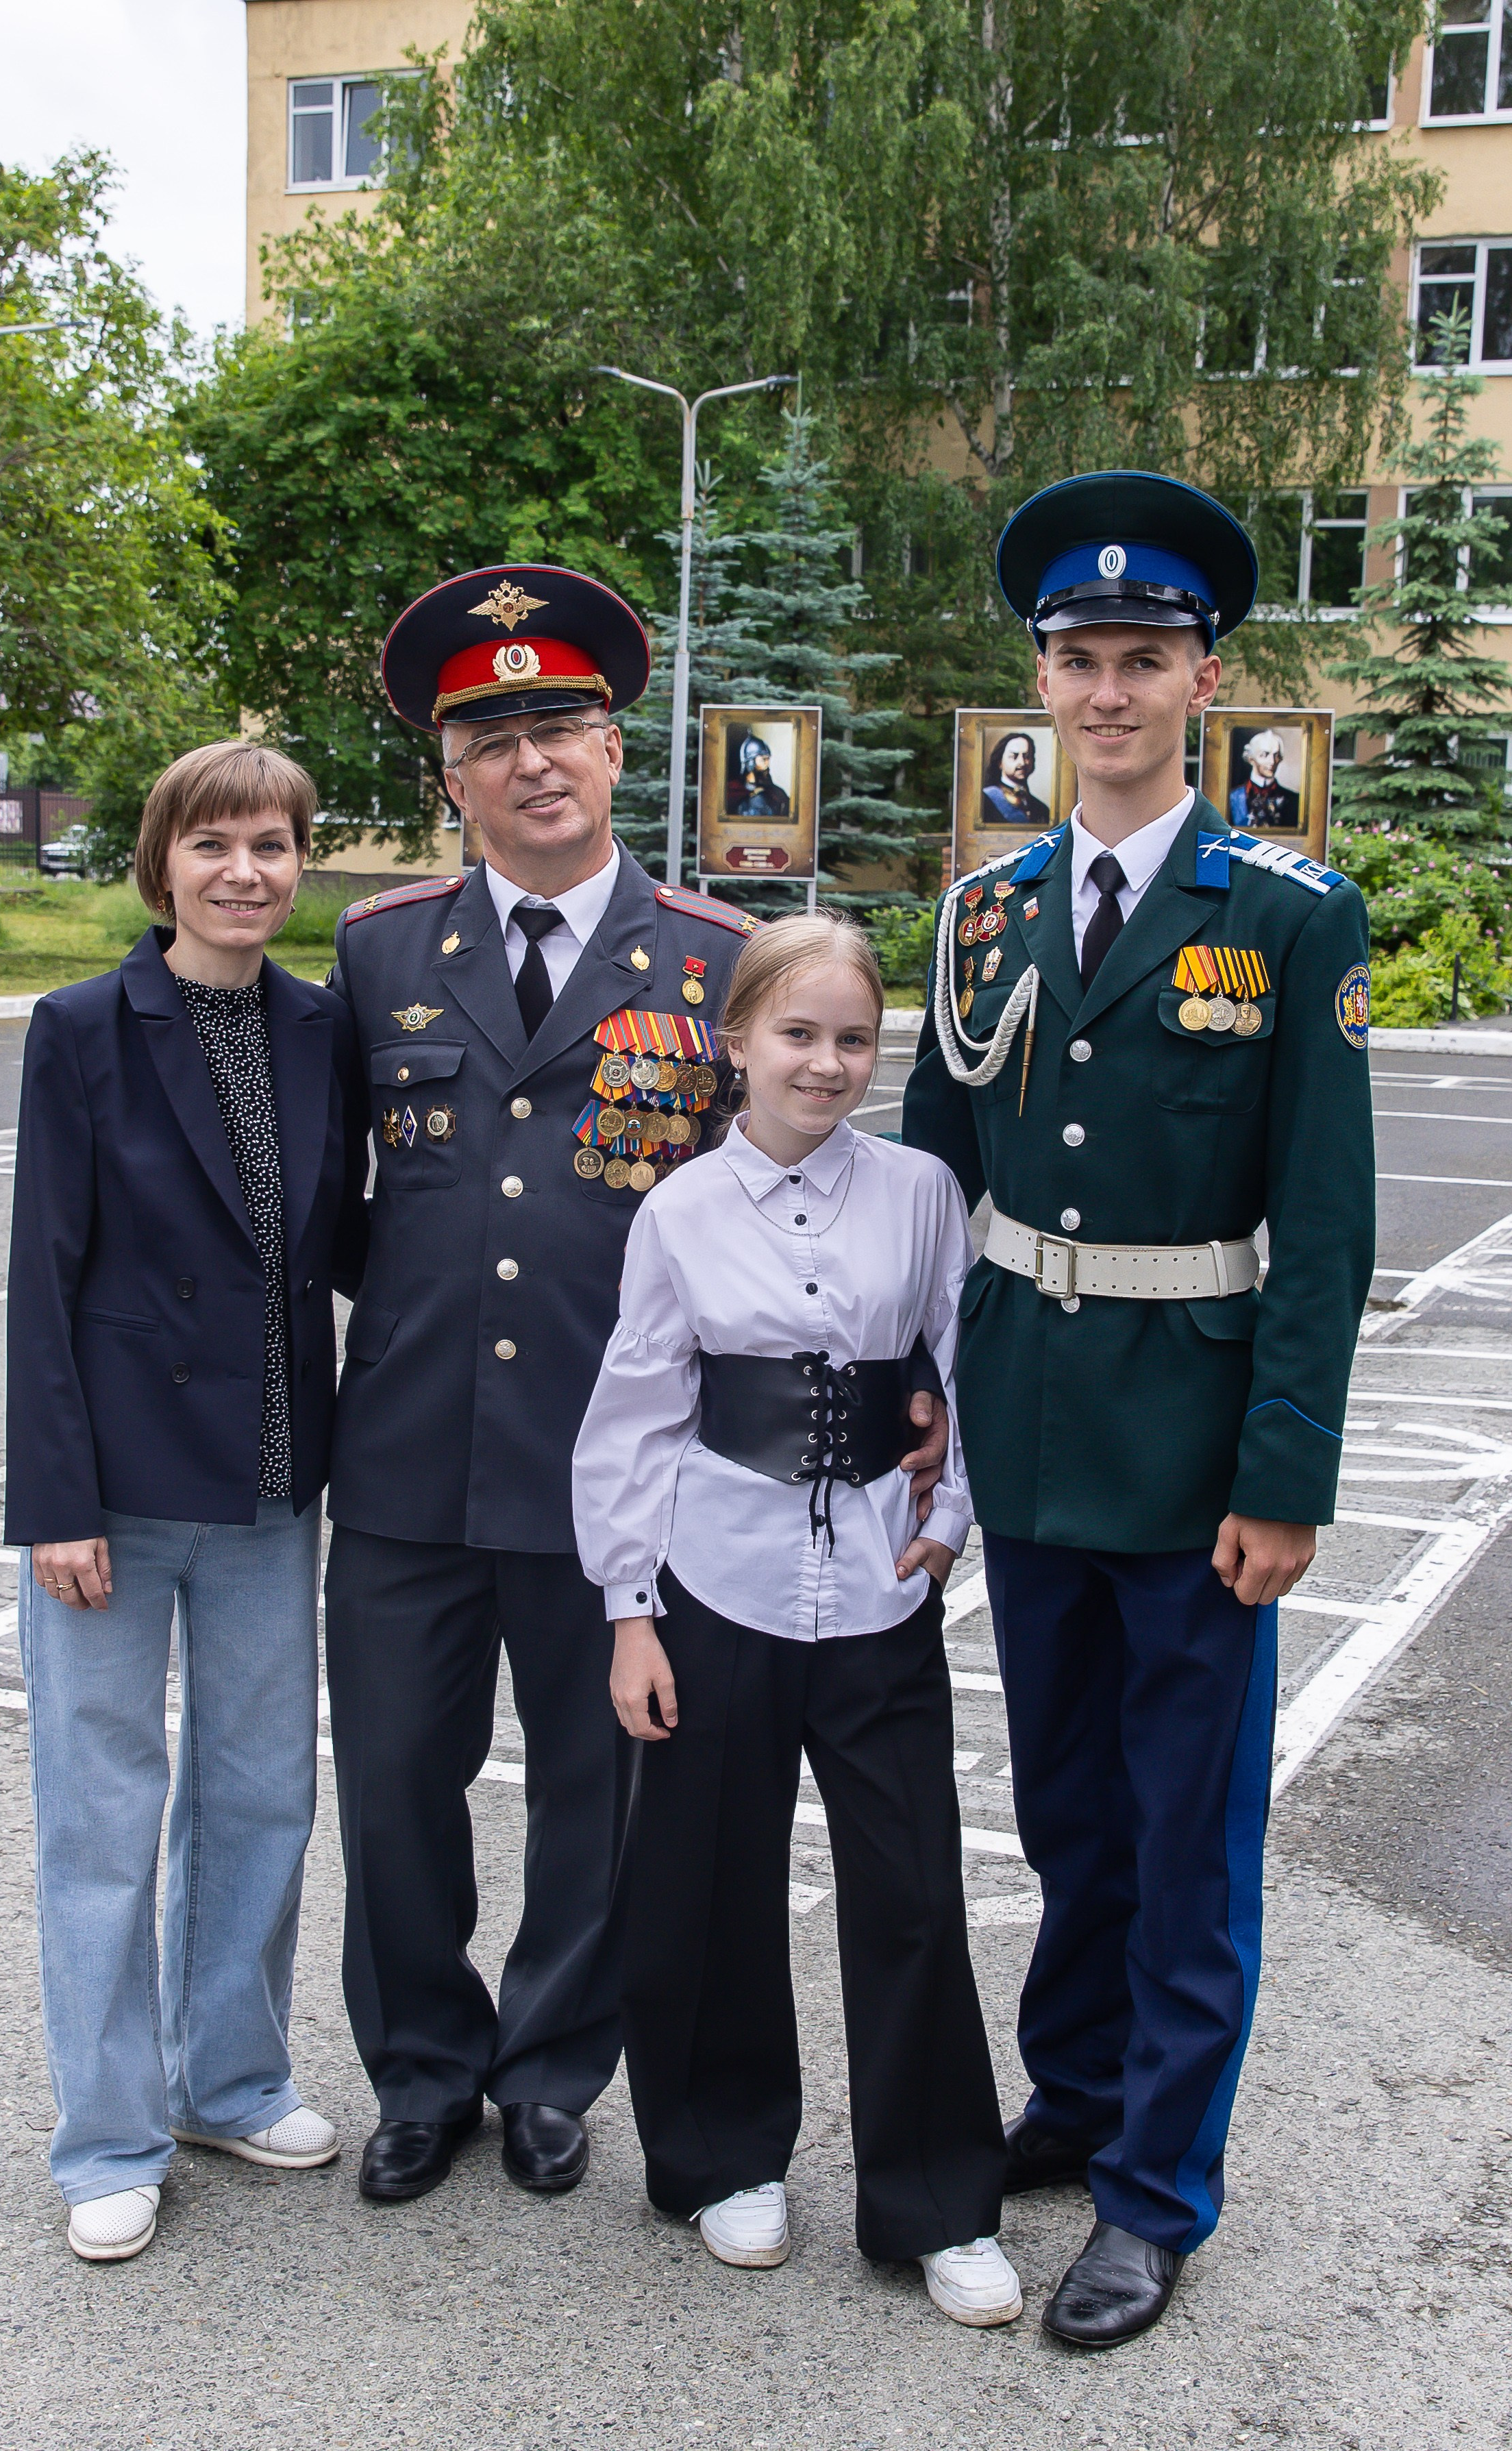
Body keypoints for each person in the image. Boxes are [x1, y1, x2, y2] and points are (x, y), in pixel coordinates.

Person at [323, 567, 955, 2207]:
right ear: (448, 775)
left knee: (597, 1800)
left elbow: (788, 1196)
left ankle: (549, 2071)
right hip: (404, 1449)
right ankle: (418, 2068)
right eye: (493, 735)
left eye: (564, 726)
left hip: (612, 1472)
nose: (534, 759)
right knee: (396, 1785)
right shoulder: (382, 947)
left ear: (616, 751)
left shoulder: (716, 960)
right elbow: (336, 1210)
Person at [904, 471, 1376, 2347]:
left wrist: (1287, 1474)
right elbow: (933, 1190)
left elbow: (1322, 1233)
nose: (1108, 693)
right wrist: (920, 1409)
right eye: (1080, 660)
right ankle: (1078, 2091)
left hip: (1195, 1460)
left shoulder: (1282, 914)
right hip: (1027, 1432)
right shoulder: (988, 908)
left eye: (1145, 661)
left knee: (1190, 1838)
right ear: (1041, 680)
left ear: (1204, 682)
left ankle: (1158, 2189)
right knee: (1068, 1814)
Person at [573, 911, 1021, 2325]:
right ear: (735, 1043)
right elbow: (637, 1415)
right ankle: (723, 2157)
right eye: (795, 1034)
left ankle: (937, 2199)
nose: (823, 1064)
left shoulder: (919, 1193)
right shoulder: (679, 1212)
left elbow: (960, 1361)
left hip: (878, 1589)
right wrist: (630, 1612)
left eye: (848, 1038)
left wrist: (946, 1525)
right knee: (702, 1882)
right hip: (719, 1583)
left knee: (909, 1888)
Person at [5, 742, 369, 2263]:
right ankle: (107, 2133)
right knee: (102, 1815)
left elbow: (357, 1236)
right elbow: (46, 1272)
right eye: (213, 843)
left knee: (261, 1795)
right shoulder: (83, 1027)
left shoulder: (320, 1026)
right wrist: (55, 1505)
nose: (244, 870)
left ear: (301, 866)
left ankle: (228, 2075)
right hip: (118, 1486)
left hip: (274, 1479)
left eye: (273, 844)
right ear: (161, 863)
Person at [1228, 728, 1300, 830]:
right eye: (1264, 755)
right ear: (1251, 759)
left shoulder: (1294, 800)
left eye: (1276, 755)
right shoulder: (1232, 798)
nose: (1272, 762)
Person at [981, 729, 1052, 826]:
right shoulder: (985, 800)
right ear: (1000, 762)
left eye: (1027, 757)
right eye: (1014, 757)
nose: (1022, 763)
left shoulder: (1041, 808)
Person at [730, 732, 791, 817]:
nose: (767, 764)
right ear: (751, 762)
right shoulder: (735, 790)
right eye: (763, 759)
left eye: (768, 759)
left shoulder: (777, 792)